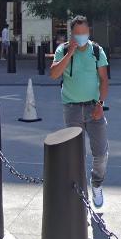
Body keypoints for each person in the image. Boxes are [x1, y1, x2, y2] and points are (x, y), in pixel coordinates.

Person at [48, 14, 109, 208]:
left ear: (89, 31)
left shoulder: (97, 51)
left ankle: (96, 183)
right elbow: (54, 74)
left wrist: (100, 104)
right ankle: (81, 192)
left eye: (84, 32)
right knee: (76, 154)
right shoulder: (63, 50)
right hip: (72, 108)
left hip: (94, 107)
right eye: (77, 33)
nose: (81, 36)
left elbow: (104, 80)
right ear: (72, 34)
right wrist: (70, 54)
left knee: (101, 153)